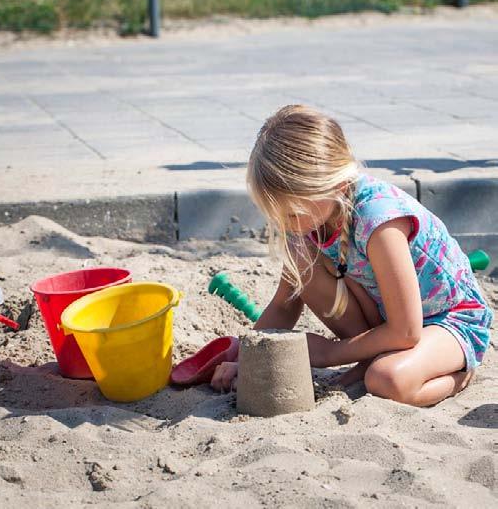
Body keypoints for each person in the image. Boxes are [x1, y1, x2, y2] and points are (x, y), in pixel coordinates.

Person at [210, 105, 493, 406]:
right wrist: (252, 358)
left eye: (292, 213)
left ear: (336, 185)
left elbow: (406, 331)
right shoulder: (310, 222)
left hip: (450, 320)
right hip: (387, 317)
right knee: (301, 258)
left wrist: (331, 353)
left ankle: (458, 375)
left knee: (386, 380)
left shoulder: (379, 221)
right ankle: (371, 357)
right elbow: (283, 304)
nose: (284, 224)